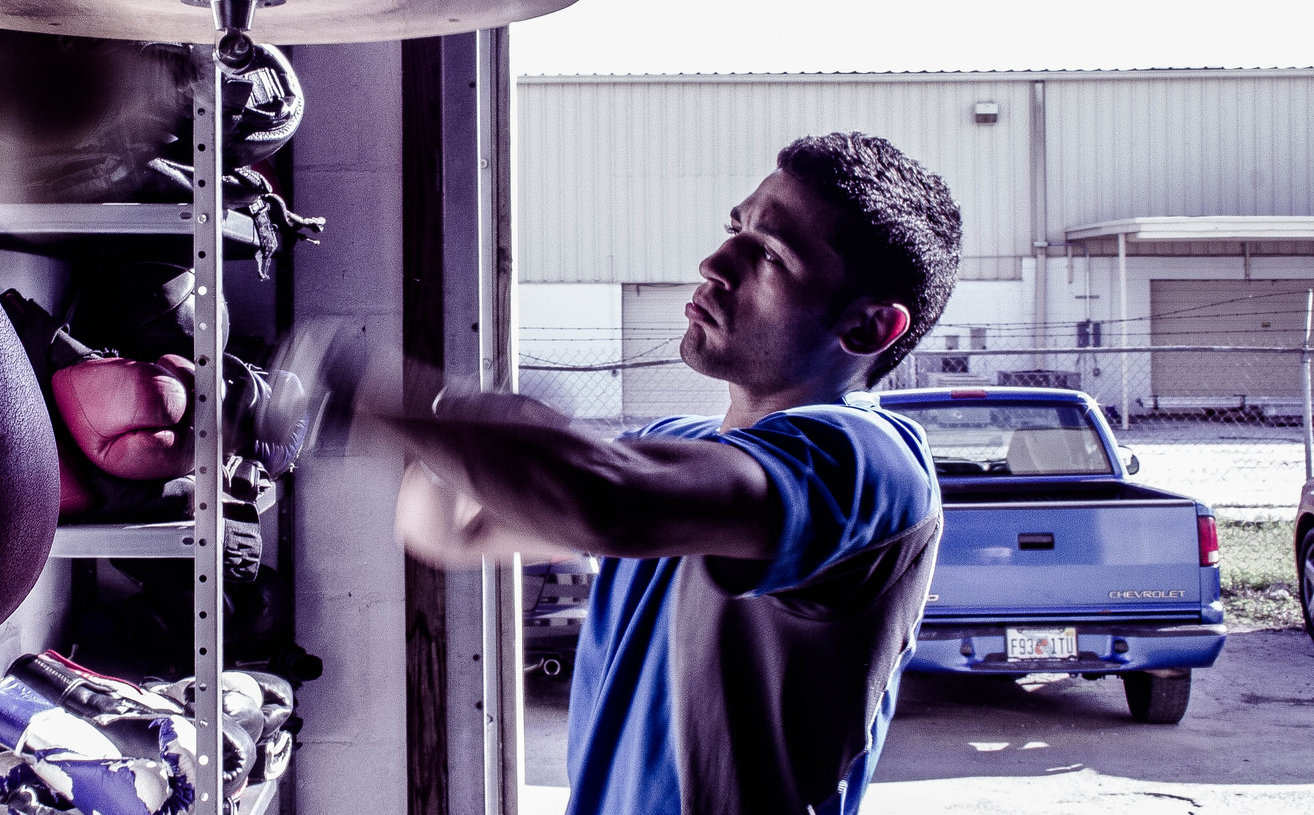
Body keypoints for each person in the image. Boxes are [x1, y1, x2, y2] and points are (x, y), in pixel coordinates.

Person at [379, 131, 962, 815]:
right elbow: (452, 532)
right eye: (734, 230)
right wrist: (469, 442)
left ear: (867, 329)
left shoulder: (864, 460)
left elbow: (605, 499)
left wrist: (351, 391)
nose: (715, 263)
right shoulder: (672, 448)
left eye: (771, 254)